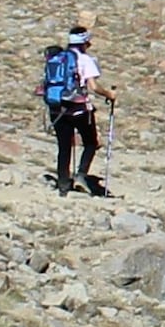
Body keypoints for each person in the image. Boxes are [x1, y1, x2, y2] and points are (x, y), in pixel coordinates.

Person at [43, 23, 108, 197]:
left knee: (64, 146)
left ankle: (63, 184)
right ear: (84, 42)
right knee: (91, 142)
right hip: (79, 109)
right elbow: (93, 86)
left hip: (57, 107)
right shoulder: (86, 60)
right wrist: (110, 94)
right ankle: (81, 175)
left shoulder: (58, 58)